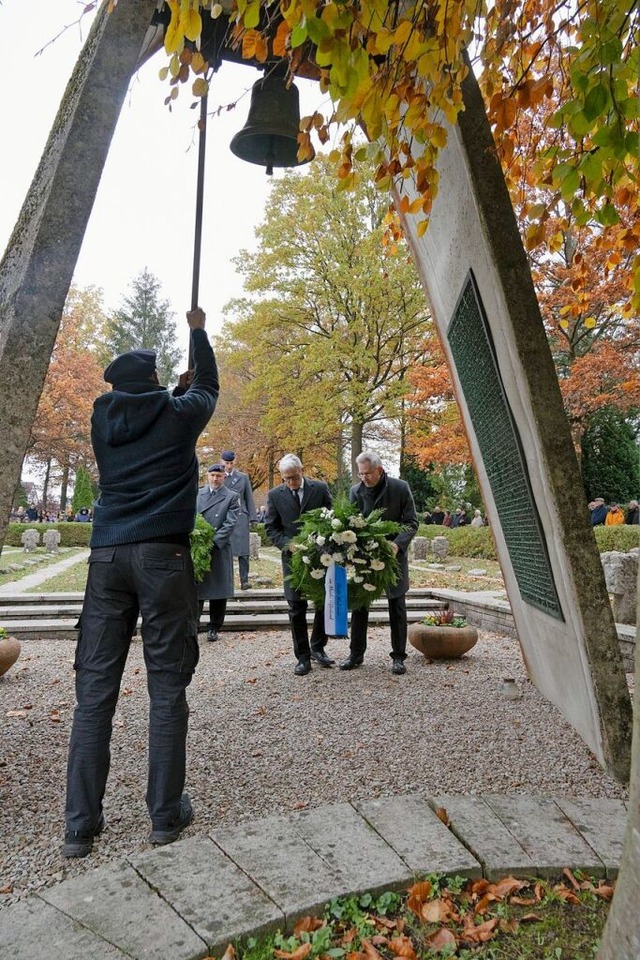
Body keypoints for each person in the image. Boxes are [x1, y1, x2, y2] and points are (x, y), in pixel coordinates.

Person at [63, 306, 219, 859]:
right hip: (162, 555)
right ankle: (164, 814)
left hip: (107, 556)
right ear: (154, 381)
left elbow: (155, 410)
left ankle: (80, 826)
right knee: (166, 686)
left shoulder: (102, 421)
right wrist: (197, 331)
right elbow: (210, 387)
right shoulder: (178, 416)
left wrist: (169, 394)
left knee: (94, 695)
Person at [340, 451, 418, 676]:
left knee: (397, 606)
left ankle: (398, 657)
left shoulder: (400, 488)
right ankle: (356, 654)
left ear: (380, 470)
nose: (364, 477)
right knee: (359, 606)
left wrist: (397, 545)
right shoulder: (355, 491)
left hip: (394, 557)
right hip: (364, 558)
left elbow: (411, 522)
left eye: (368, 473)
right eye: (360, 473)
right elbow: (351, 524)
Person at [264, 453, 334, 675]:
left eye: (294, 477)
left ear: (302, 470)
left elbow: (332, 518)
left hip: (320, 556)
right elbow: (271, 528)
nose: (291, 483)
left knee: (322, 603)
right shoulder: (275, 495)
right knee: (296, 607)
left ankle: (318, 647)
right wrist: (288, 545)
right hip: (292, 560)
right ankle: (302, 656)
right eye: (286, 479)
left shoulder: (320, 489)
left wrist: (326, 541)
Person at [196, 464, 240, 642]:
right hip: (198, 548)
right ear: (207, 476)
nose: (215, 479)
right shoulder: (197, 495)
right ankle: (194, 623)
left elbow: (230, 523)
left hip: (218, 548)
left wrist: (213, 542)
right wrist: (197, 541)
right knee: (196, 588)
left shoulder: (232, 496)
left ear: (224, 477)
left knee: (219, 590)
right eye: (212, 475)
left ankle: (214, 626)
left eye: (219, 476)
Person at [220, 450, 258, 589]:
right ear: (222, 462)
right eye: (226, 463)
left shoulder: (242, 477)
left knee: (243, 551)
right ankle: (227, 582)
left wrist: (253, 517)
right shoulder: (218, 476)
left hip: (241, 516)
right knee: (226, 551)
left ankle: (244, 580)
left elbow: (248, 497)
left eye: (231, 463)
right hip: (224, 517)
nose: (229, 466)